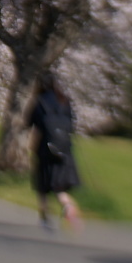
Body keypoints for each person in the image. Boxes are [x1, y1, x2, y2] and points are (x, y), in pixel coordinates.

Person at [27, 70, 83, 232]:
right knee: (59, 185)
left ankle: (45, 219)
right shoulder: (64, 100)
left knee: (43, 185)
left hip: (45, 149)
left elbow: (29, 123)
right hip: (65, 149)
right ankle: (67, 205)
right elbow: (71, 125)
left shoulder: (40, 102)